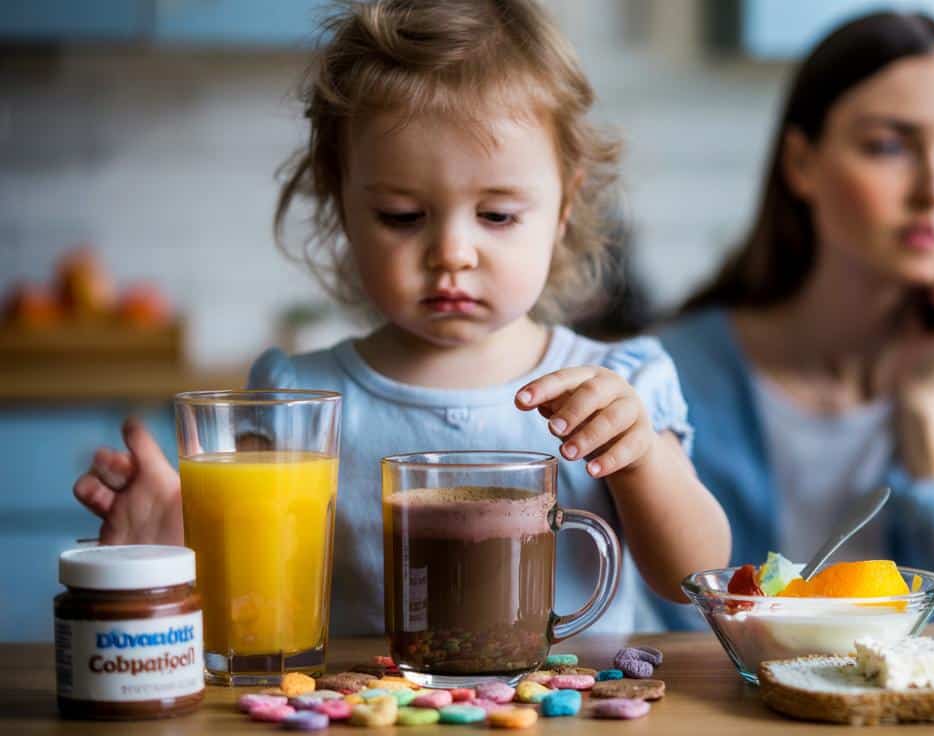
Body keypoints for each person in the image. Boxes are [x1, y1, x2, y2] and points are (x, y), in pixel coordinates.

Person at [71, 0, 730, 635]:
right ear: (341, 206)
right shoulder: (297, 401)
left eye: (497, 215)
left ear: (563, 206)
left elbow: (695, 575)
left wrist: (643, 458)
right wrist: (172, 551)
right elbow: (251, 600)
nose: (452, 253)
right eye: (401, 217)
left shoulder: (618, 387)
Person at [653, 12, 934, 627]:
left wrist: (920, 400)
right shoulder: (674, 370)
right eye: (888, 146)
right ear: (801, 164)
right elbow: (688, 621)